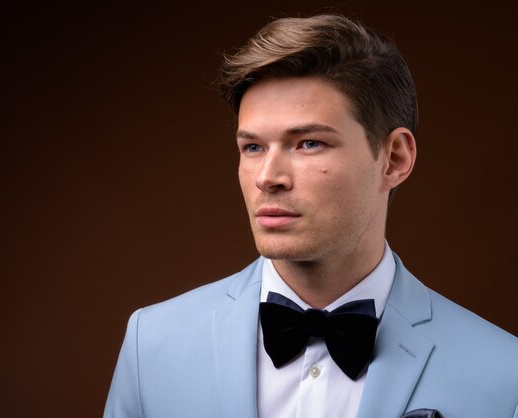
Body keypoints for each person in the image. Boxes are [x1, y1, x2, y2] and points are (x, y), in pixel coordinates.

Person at [104, 14, 518, 418]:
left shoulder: (505, 374)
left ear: (394, 159)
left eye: (308, 143)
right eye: (252, 147)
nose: (268, 178)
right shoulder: (152, 344)